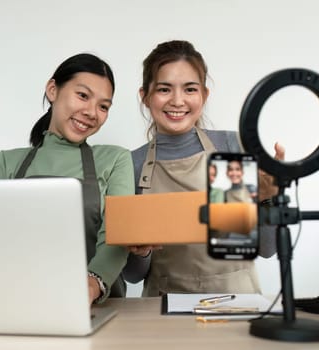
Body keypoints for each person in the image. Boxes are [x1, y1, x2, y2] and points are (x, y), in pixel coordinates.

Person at [122, 40, 284, 296]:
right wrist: (142, 250)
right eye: (164, 89)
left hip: (237, 301)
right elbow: (133, 275)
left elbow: (267, 249)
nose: (177, 101)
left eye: (189, 89)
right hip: (162, 308)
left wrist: (268, 199)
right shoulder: (133, 164)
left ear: (204, 95)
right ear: (145, 96)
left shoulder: (232, 148)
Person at [0, 53, 134, 304]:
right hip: (18, 299)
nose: (91, 112)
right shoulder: (7, 162)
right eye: (83, 96)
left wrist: (90, 285)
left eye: (103, 106)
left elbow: (116, 236)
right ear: (53, 90)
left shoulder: (115, 159)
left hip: (96, 304)